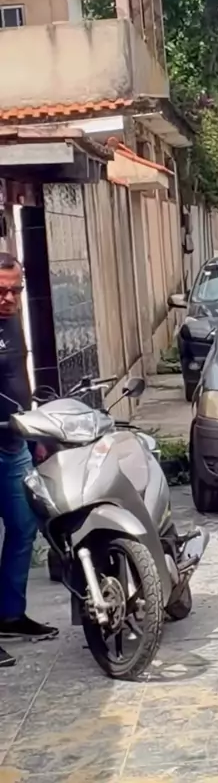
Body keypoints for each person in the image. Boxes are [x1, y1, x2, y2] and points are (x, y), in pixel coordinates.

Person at [0, 252, 58, 642]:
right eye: (1, 291)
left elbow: (19, 381)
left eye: (15, 290)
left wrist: (35, 436)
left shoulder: (14, 321)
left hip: (15, 443)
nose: (9, 298)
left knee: (23, 528)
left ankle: (9, 615)